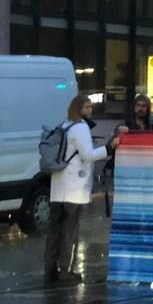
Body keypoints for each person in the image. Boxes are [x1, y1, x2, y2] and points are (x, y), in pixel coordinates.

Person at [44, 95, 121, 284]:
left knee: (55, 228)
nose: (90, 111)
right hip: (74, 188)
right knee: (70, 229)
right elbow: (87, 155)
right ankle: (65, 270)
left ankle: (50, 267)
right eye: (87, 107)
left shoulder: (65, 125)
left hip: (58, 185)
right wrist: (109, 148)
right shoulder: (81, 127)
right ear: (79, 109)